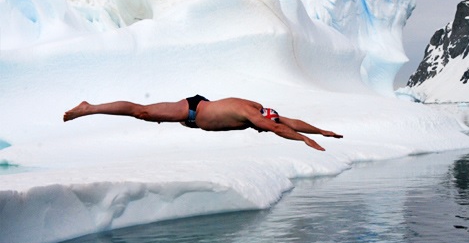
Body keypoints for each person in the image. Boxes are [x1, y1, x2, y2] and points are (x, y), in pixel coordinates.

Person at [63, 95, 343, 151]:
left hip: (198, 117)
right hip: (192, 111)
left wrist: (321, 131)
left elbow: (287, 121)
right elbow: (280, 128)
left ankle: (91, 108)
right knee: (142, 112)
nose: (261, 130)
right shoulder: (253, 114)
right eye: (262, 127)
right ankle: (89, 108)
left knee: (144, 114)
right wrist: (305, 140)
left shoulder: (262, 110)